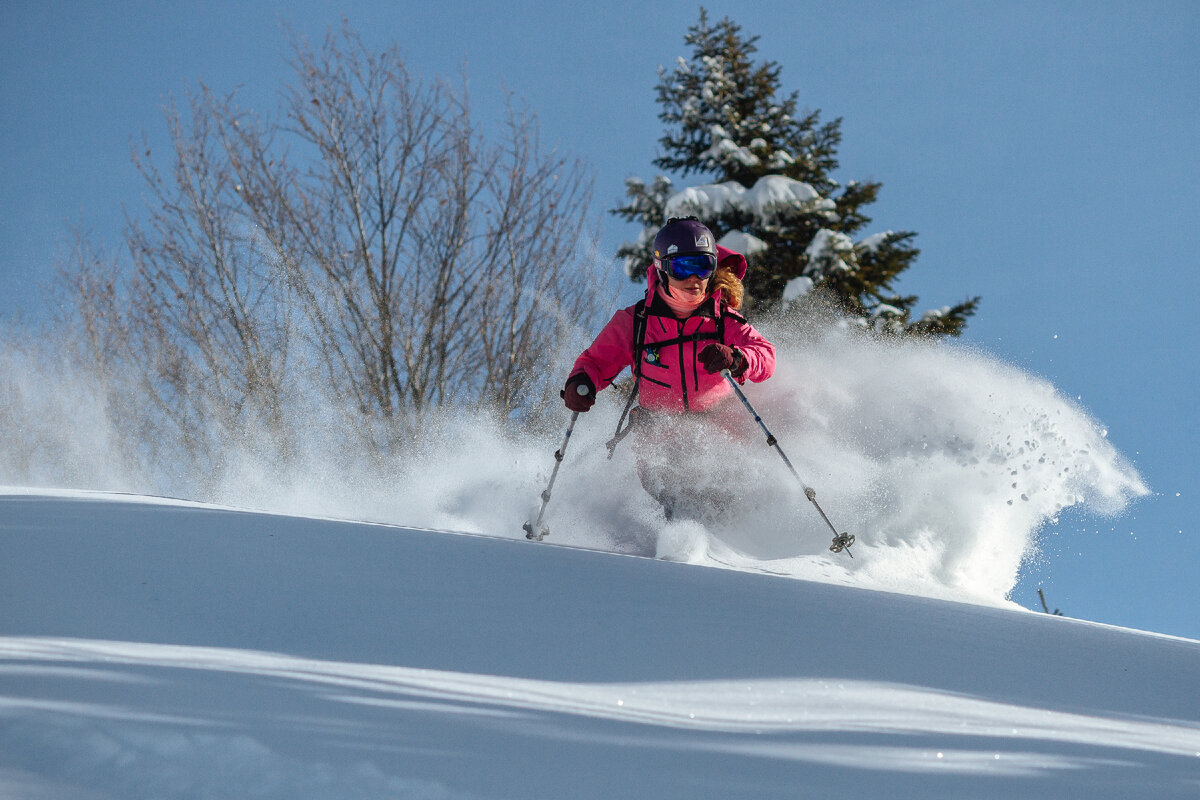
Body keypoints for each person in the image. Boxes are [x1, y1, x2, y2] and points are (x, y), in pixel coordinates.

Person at [563, 217, 776, 523]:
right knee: (681, 501)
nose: (695, 279)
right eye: (682, 268)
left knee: (725, 503)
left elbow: (765, 356)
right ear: (662, 268)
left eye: (703, 267)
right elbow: (595, 361)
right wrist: (581, 381)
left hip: (719, 435)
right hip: (660, 439)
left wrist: (737, 358)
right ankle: (680, 555)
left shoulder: (722, 320)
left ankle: (734, 554)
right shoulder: (636, 322)